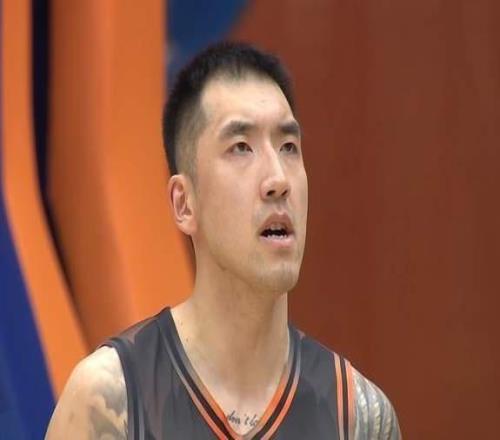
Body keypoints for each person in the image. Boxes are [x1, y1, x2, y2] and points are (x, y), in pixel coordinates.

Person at [45, 42, 401, 439]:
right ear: (184, 203)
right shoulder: (112, 400)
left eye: (289, 147)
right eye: (241, 148)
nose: (278, 180)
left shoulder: (359, 416)